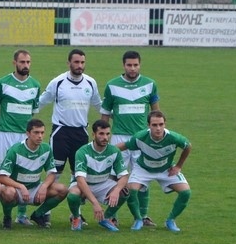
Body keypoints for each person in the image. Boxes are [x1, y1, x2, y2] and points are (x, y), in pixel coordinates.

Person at [100, 50, 159, 227]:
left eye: (135, 65)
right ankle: (112, 215)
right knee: (114, 177)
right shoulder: (112, 85)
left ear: (140, 65)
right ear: (123, 65)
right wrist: (102, 138)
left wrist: (155, 136)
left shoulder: (150, 84)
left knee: (143, 177)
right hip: (119, 138)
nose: (132, 68)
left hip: (142, 139)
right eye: (129, 65)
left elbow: (156, 113)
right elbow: (105, 115)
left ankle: (143, 216)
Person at [0, 50, 42, 227]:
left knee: (24, 173)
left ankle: (21, 214)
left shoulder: (35, 85)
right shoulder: (2, 83)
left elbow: (33, 113)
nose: (25, 65)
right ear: (14, 63)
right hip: (5, 135)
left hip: (25, 136)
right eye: (22, 62)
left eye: (28, 62)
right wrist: (2, 125)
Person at [117, 110, 192, 233]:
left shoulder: (174, 138)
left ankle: (170, 220)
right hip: (143, 169)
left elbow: (188, 146)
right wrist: (104, 150)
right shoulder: (140, 137)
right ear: (148, 126)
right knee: (131, 190)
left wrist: (178, 166)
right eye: (154, 125)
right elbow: (124, 146)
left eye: (161, 124)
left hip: (166, 169)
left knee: (186, 193)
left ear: (165, 124)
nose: (158, 128)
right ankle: (138, 219)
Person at [38, 48, 101, 179]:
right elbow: (40, 102)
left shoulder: (90, 83)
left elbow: (99, 105)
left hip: (81, 133)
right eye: (76, 62)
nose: (80, 65)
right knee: (54, 174)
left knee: (79, 174)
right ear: (68, 63)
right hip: (61, 133)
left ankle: (75, 193)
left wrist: (116, 114)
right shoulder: (57, 82)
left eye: (82, 62)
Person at [0, 119, 68, 229]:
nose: (40, 136)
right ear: (28, 133)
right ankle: (7, 217)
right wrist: (20, 186)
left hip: (35, 188)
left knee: (62, 189)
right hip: (16, 190)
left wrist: (44, 186)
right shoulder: (15, 150)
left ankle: (38, 215)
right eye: (36, 132)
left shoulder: (46, 149)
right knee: (8, 192)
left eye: (42, 132)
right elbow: (2, 177)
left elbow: (52, 173)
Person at [67, 120, 129, 232]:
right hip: (84, 184)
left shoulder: (114, 151)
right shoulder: (82, 152)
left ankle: (106, 218)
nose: (105, 137)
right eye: (101, 134)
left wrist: (116, 191)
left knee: (124, 191)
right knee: (73, 195)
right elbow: (80, 180)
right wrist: (95, 203)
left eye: (107, 134)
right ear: (93, 135)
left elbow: (124, 175)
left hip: (103, 183)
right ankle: (76, 217)